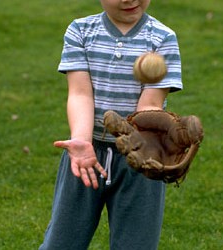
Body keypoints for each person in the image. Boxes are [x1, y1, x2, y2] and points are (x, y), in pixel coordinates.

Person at [39, 0, 182, 249]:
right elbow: (80, 94)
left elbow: (150, 104)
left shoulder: (162, 38)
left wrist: (149, 139)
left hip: (141, 160)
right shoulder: (81, 31)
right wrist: (82, 141)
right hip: (85, 157)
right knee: (61, 243)